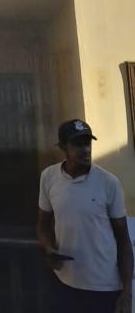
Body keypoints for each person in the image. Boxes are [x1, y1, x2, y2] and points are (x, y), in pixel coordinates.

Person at [37, 119, 133, 313]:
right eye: (78, 144)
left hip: (103, 287)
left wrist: (127, 291)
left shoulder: (108, 183)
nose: (86, 149)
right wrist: (48, 248)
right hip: (64, 283)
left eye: (87, 143)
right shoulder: (49, 177)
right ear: (63, 147)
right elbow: (43, 225)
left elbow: (123, 240)